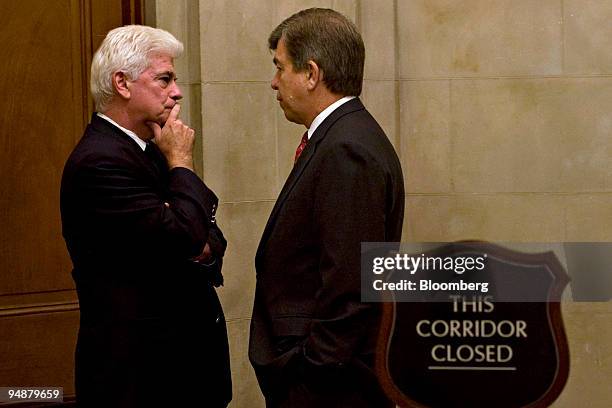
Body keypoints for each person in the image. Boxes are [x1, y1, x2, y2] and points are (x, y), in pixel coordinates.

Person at [60, 25, 231, 407]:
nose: (177, 91)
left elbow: (210, 229)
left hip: (180, 368)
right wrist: (183, 164)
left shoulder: (150, 148)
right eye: (164, 79)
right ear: (122, 83)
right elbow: (187, 234)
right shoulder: (100, 161)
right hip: (141, 376)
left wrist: (194, 233)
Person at [249, 8, 404, 408]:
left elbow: (350, 283)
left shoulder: (346, 148)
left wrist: (311, 372)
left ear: (312, 74)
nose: (274, 82)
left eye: (280, 68)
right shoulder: (340, 137)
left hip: (327, 388)